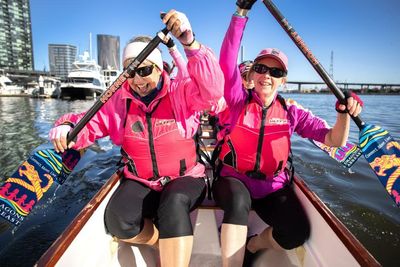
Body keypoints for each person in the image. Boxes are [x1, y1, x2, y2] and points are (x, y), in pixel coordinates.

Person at [48, 9, 223, 267]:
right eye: (130, 72)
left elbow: (212, 91)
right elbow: (87, 123)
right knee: (118, 220)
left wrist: (190, 42)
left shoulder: (180, 90)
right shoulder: (119, 100)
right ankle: (160, 241)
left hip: (186, 179)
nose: (138, 80)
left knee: (174, 204)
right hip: (142, 180)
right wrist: (65, 127)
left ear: (159, 67)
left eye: (144, 71)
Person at [213, 1, 363, 266]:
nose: (266, 75)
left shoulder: (293, 112)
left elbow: (335, 141)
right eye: (260, 69)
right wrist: (241, 13)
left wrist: (343, 113)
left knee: (297, 233)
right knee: (237, 204)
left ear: (284, 80)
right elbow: (227, 61)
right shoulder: (237, 100)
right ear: (252, 74)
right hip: (234, 180)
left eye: (276, 71)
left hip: (272, 187)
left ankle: (253, 244)